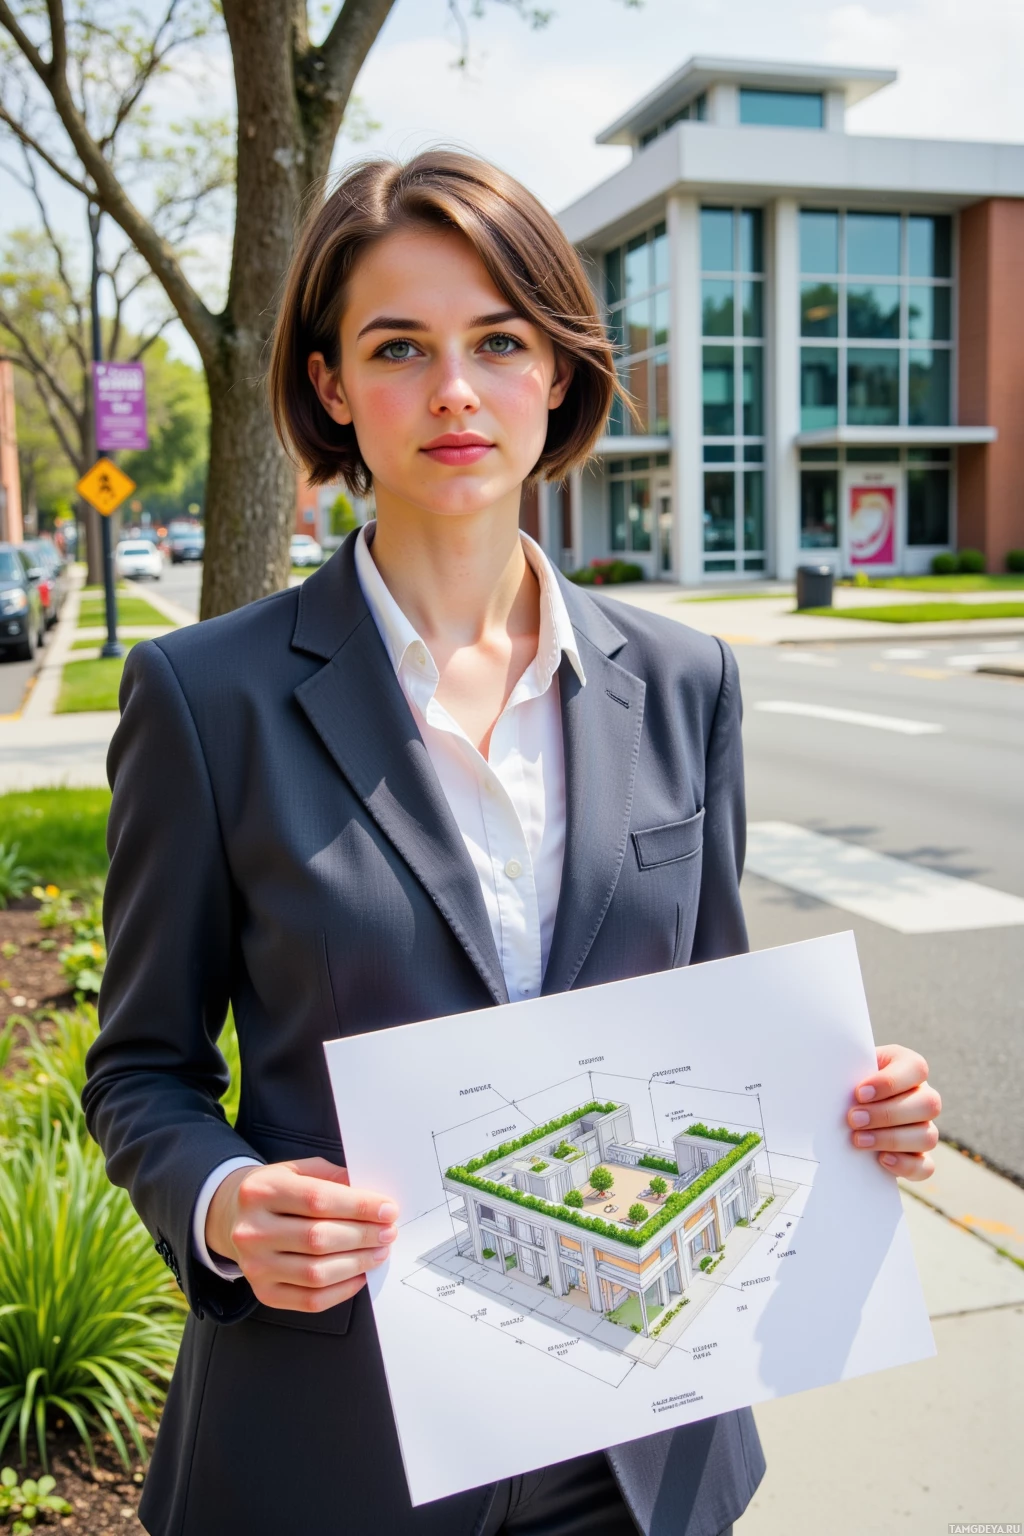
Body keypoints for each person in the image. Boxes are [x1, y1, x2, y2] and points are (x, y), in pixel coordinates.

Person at [83, 150, 942, 1536]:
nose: (454, 392)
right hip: (339, 1448)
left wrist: (856, 1107)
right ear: (329, 387)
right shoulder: (206, 698)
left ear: (558, 370)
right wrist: (228, 1202)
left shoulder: (687, 683)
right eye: (398, 348)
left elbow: (711, 1029)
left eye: (498, 340)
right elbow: (141, 1071)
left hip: (646, 1445)